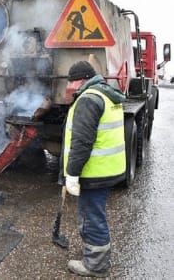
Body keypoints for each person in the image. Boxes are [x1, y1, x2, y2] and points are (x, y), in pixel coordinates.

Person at [61, 61, 126, 277]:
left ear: (80, 79)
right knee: (95, 214)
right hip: (108, 168)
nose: (71, 86)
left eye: (72, 82)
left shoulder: (89, 99)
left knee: (91, 217)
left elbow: (82, 142)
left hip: (95, 171)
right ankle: (97, 254)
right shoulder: (107, 94)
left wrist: (72, 174)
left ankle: (95, 265)